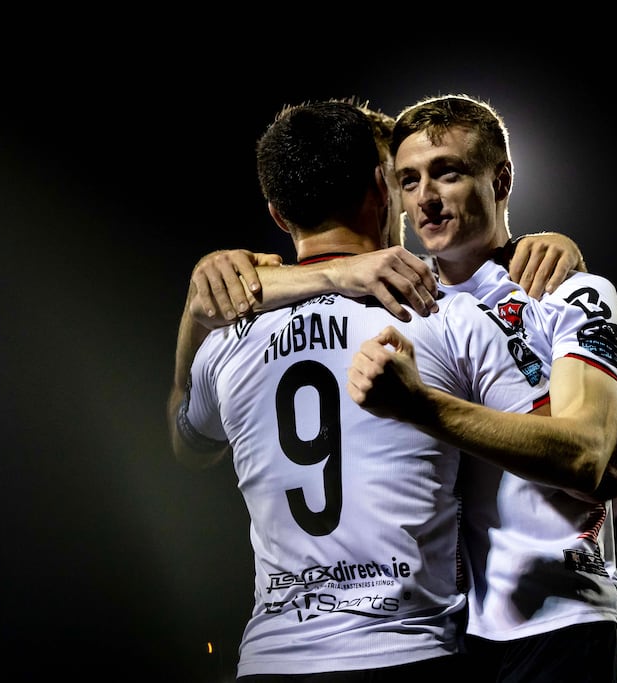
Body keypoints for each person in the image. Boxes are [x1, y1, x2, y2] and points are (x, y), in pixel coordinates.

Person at [189, 95, 617, 681]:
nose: (425, 198)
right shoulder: (411, 299)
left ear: (500, 180)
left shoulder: (564, 293)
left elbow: (591, 461)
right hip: (457, 631)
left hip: (556, 621)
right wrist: (212, 279)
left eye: (448, 173)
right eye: (408, 180)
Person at [167, 99, 553, 680]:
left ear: (278, 215)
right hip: (411, 650)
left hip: (272, 659)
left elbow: (187, 441)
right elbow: (555, 455)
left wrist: (196, 313)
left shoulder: (228, 341)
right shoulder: (445, 312)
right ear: (383, 185)